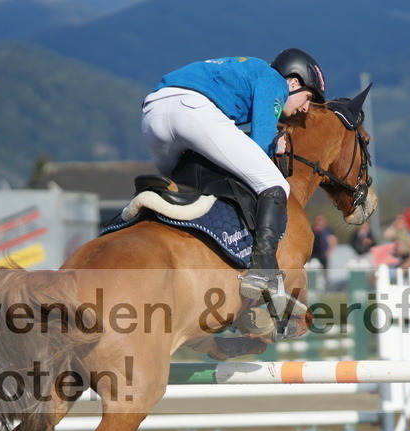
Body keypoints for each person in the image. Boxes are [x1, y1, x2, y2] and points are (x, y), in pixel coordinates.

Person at [140, 49, 326, 303]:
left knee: (179, 189)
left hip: (153, 113)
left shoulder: (242, 72)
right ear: (293, 82)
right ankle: (263, 272)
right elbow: (261, 142)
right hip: (193, 110)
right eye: (307, 97)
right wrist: (276, 145)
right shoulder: (273, 80)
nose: (306, 108)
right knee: (275, 183)